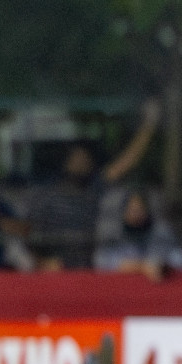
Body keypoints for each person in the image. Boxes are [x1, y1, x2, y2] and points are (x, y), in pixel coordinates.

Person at [26, 99, 160, 269]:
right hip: (56, 269)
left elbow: (126, 163)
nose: (81, 162)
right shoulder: (48, 196)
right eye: (76, 158)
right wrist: (42, 262)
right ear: (66, 162)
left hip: (90, 267)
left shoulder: (94, 188)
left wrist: (149, 125)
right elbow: (30, 234)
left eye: (85, 159)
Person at [93, 188, 182, 280]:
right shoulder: (114, 234)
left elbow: (179, 258)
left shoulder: (160, 231)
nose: (136, 213)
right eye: (132, 209)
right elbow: (102, 261)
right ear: (123, 211)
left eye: (140, 209)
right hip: (122, 286)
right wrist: (141, 267)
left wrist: (161, 265)